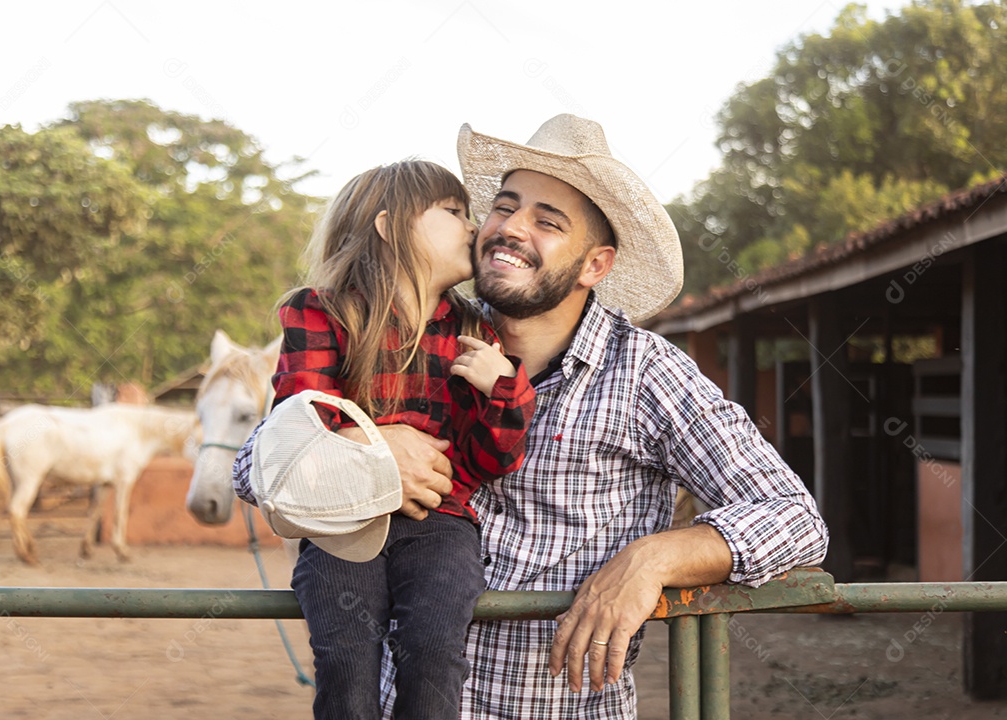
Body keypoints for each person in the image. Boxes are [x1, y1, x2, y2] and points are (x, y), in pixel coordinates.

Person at [237, 116, 828, 719]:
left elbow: (796, 520)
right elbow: (253, 466)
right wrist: (369, 451)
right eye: (504, 206)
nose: (510, 229)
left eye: (547, 222)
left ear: (594, 265)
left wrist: (652, 560)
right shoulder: (415, 325)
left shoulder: (647, 372)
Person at [234, 159, 536, 719]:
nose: (473, 227)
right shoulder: (321, 312)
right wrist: (377, 444)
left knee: (435, 648)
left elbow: (493, 459)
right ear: (389, 226)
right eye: (453, 212)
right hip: (340, 520)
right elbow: (300, 421)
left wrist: (505, 390)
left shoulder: (476, 332)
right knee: (346, 661)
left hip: (438, 522)